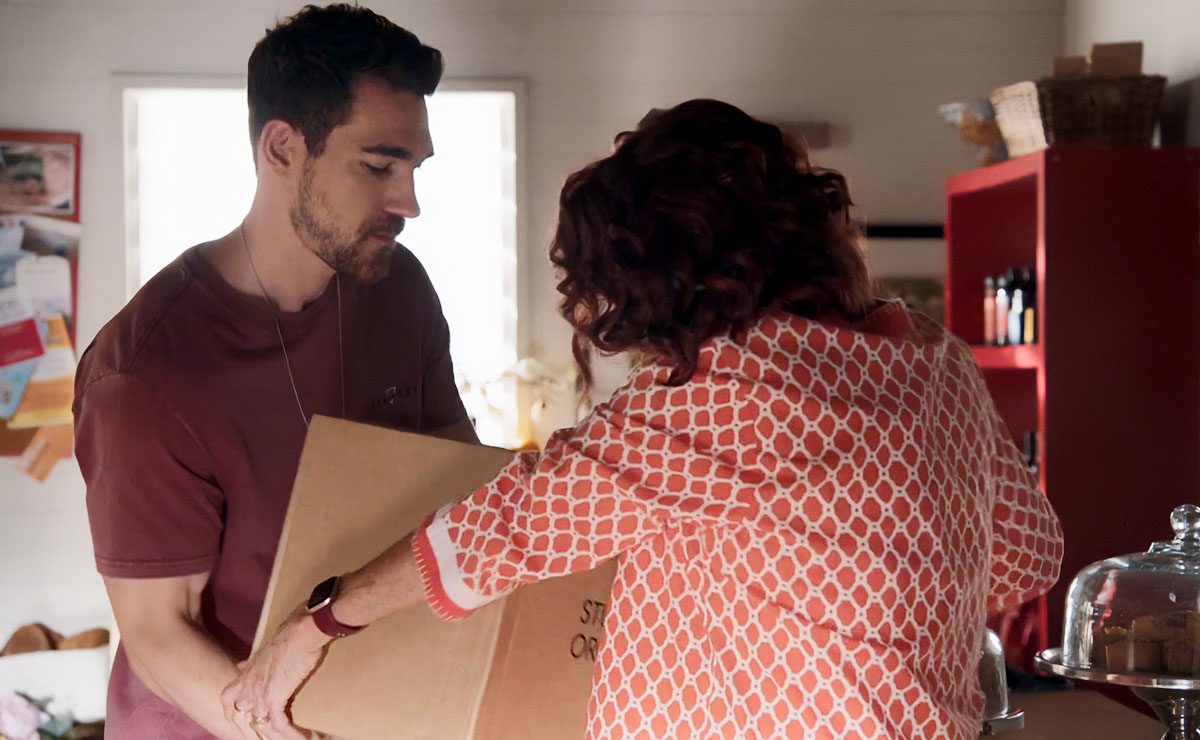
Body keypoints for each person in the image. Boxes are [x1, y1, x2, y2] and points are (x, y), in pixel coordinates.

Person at [225, 99, 1063, 740]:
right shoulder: (935, 362)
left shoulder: (727, 394)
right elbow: (1030, 556)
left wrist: (319, 621)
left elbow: (500, 532)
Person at [73, 5, 475, 739]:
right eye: (379, 166)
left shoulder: (400, 288)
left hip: (374, 700)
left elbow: (459, 485)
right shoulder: (144, 373)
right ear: (283, 148)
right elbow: (159, 635)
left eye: (415, 168)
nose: (409, 203)